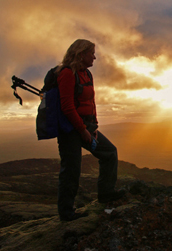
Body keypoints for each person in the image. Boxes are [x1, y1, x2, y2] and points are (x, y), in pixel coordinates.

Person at [56, 39, 125, 221]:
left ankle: (106, 193)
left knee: (109, 152)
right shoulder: (67, 74)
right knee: (71, 170)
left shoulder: (86, 74)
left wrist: (94, 127)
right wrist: (82, 130)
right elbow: (67, 107)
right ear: (81, 54)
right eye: (92, 53)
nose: (94, 57)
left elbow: (91, 104)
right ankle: (66, 213)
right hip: (70, 129)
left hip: (87, 126)